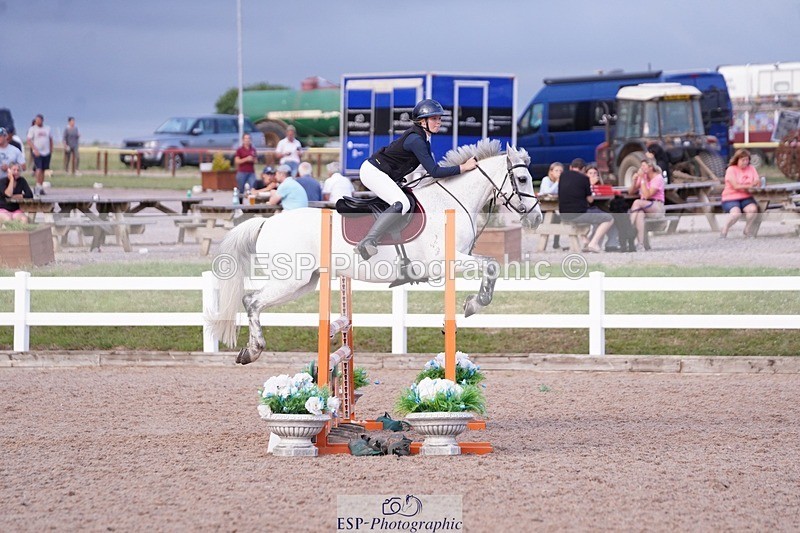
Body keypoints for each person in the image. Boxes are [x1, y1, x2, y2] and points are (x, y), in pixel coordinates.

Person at [355, 99, 478, 260]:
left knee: (409, 199)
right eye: (434, 118)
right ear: (422, 121)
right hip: (372, 172)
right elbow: (434, 171)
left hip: (383, 173)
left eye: (439, 118)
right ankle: (368, 241)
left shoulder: (423, 138)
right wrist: (463, 167)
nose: (439, 122)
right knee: (402, 203)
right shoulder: (416, 140)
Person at [557, 158, 614, 253]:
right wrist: (590, 185)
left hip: (563, 214)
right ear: (583, 169)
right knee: (608, 218)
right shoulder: (584, 179)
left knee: (595, 213)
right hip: (579, 214)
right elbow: (590, 200)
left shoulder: (563, 176)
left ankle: (587, 240)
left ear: (571, 167)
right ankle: (594, 243)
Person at [720, 148, 760, 238]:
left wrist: (755, 183)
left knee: (753, 210)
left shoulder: (751, 168)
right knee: (736, 213)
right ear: (737, 160)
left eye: (747, 160)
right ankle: (725, 229)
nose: (745, 162)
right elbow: (736, 186)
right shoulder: (731, 169)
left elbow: (757, 180)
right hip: (731, 197)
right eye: (743, 160)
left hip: (746, 196)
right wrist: (750, 185)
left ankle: (747, 229)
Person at [627, 159, 666, 251]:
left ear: (650, 167)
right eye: (641, 166)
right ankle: (640, 244)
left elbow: (648, 195)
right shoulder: (642, 176)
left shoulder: (658, 178)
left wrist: (643, 180)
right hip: (644, 206)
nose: (641, 168)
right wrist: (634, 180)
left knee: (637, 202)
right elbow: (631, 192)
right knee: (639, 214)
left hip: (656, 206)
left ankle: (628, 225)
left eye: (644, 166)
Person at [538, 162, 563, 249]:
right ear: (551, 171)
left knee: (559, 219)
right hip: (544, 207)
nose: (559, 172)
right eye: (556, 170)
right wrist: (557, 182)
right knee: (551, 218)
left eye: (560, 171)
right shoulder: (546, 180)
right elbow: (547, 191)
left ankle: (556, 243)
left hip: (555, 205)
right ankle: (543, 243)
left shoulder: (561, 181)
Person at [26, 114, 52, 193]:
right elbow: (29, 140)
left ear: (42, 120)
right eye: (36, 120)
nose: (38, 121)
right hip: (37, 152)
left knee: (43, 169)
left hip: (46, 152)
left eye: (39, 120)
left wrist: (51, 150)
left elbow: (50, 139)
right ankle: (37, 185)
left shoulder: (47, 128)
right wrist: (34, 149)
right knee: (38, 168)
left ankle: (41, 187)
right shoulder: (33, 129)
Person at [234, 133, 258, 201]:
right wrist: (246, 159)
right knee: (241, 189)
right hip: (242, 171)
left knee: (253, 187)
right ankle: (240, 203)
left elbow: (256, 160)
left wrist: (252, 159)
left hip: (251, 171)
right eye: (246, 138)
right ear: (243, 140)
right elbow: (237, 161)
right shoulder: (239, 150)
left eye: (248, 138)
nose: (247, 140)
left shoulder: (253, 149)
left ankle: (252, 203)